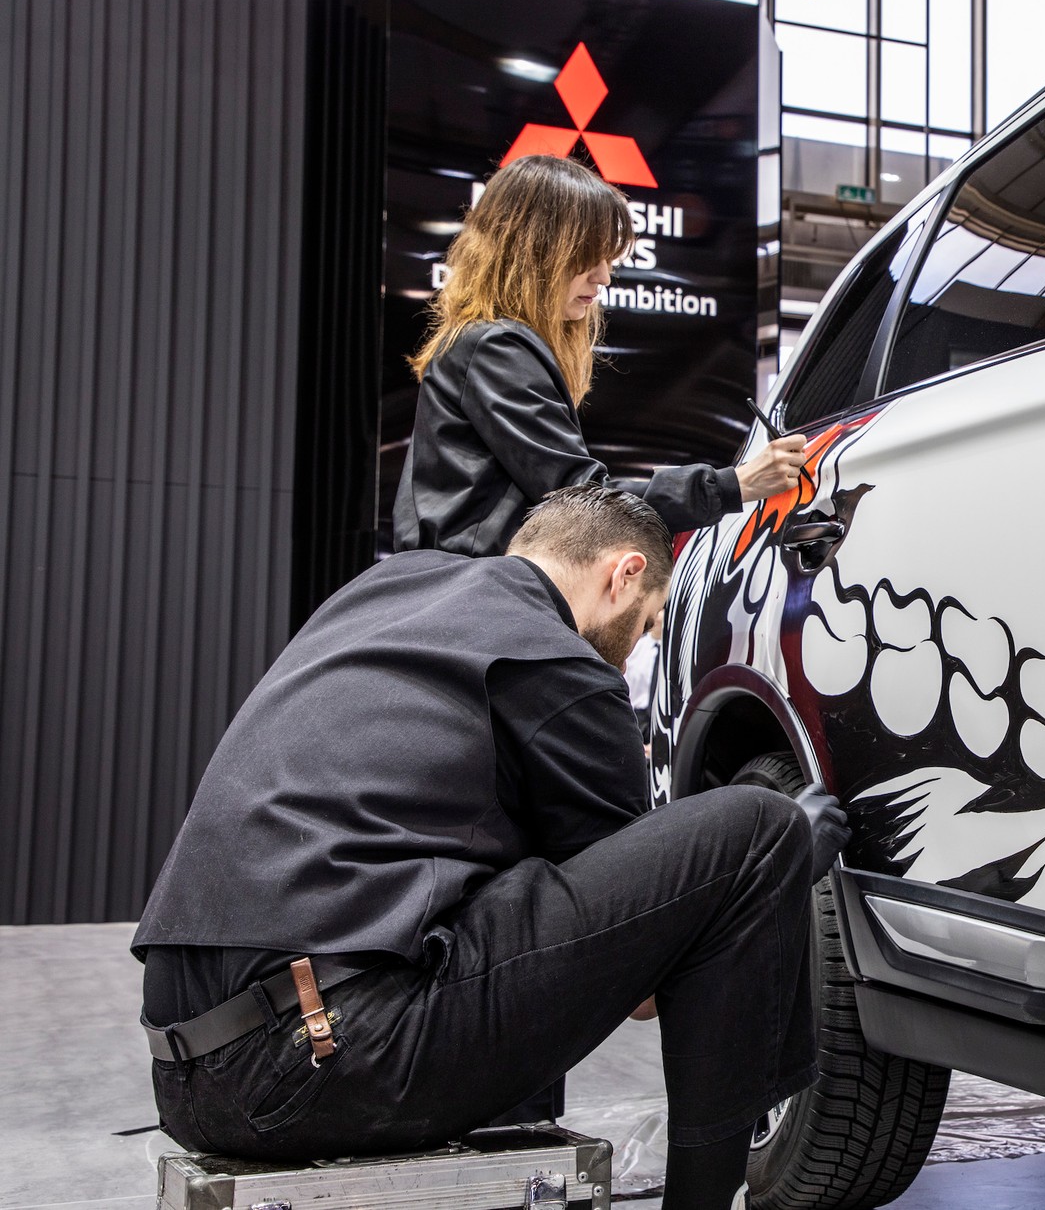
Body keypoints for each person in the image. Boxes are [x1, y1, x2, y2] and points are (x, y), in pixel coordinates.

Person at [134, 486, 849, 1210]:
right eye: (650, 622)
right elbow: (641, 988)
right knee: (761, 831)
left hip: (187, 1075)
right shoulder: (561, 664)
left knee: (498, 909)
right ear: (623, 575)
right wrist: (787, 862)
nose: (640, 644)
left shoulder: (389, 591)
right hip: (319, 1061)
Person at [394, 154, 807, 557]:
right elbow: (581, 502)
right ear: (534, 249)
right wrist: (736, 484)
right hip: (476, 603)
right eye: (587, 255)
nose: (604, 275)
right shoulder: (495, 347)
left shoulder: (486, 345)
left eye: (607, 258)